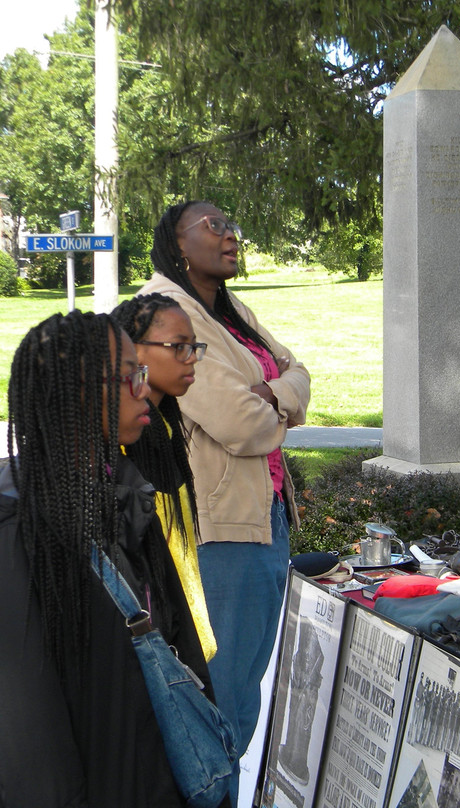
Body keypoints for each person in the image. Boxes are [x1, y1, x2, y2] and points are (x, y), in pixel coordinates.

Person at [0, 311, 223, 807]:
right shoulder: (20, 531)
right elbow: (30, 738)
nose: (143, 390)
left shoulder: (122, 495)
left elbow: (178, 650)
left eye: (141, 374)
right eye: (128, 376)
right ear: (73, 391)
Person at [139, 201, 310, 789]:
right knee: (222, 702)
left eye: (233, 222)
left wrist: (272, 394)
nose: (231, 233)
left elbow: (300, 373)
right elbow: (241, 424)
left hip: (263, 519)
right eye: (213, 225)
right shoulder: (170, 314)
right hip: (219, 532)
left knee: (238, 698)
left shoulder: (231, 309)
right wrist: (272, 399)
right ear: (178, 244)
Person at [113, 292, 217, 662]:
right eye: (178, 347)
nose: (191, 360)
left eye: (194, 347)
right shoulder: (124, 451)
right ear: (133, 352)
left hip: (183, 633)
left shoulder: (167, 430)